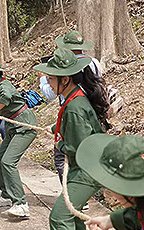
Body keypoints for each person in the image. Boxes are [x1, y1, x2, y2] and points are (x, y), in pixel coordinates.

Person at [34, 47, 111, 230]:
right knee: (72, 212)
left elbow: (80, 148)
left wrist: (61, 144)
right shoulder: (74, 98)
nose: (48, 82)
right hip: (85, 167)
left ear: (64, 79)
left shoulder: (76, 106)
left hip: (87, 171)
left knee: (59, 217)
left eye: (52, 78)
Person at [43, 30, 105, 186]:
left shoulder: (69, 69)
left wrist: (61, 144)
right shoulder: (94, 62)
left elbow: (75, 147)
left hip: (74, 112)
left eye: (51, 78)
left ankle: (74, 190)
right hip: (89, 107)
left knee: (63, 156)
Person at [0, 56, 37, 218]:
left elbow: (6, 97)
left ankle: (21, 203)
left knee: (8, 162)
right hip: (13, 128)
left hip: (24, 126)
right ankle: (6, 194)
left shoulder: (4, 85)